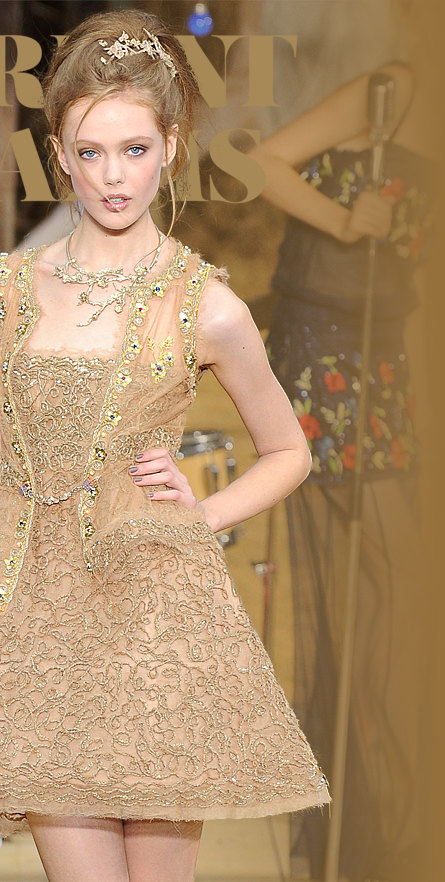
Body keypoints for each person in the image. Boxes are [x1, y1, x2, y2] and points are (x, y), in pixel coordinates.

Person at [0, 11, 330, 882]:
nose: (112, 175)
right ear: (58, 154)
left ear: (170, 146)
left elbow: (288, 451)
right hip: (40, 620)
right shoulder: (0, 288)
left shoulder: (207, 305)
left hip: (155, 619)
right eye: (90, 152)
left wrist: (201, 513)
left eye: (133, 149)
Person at [251, 60, 432, 880]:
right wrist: (344, 219)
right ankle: (366, 819)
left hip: (386, 362)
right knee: (373, 591)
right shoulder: (393, 87)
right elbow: (264, 162)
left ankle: (379, 817)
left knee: (383, 603)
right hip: (324, 356)